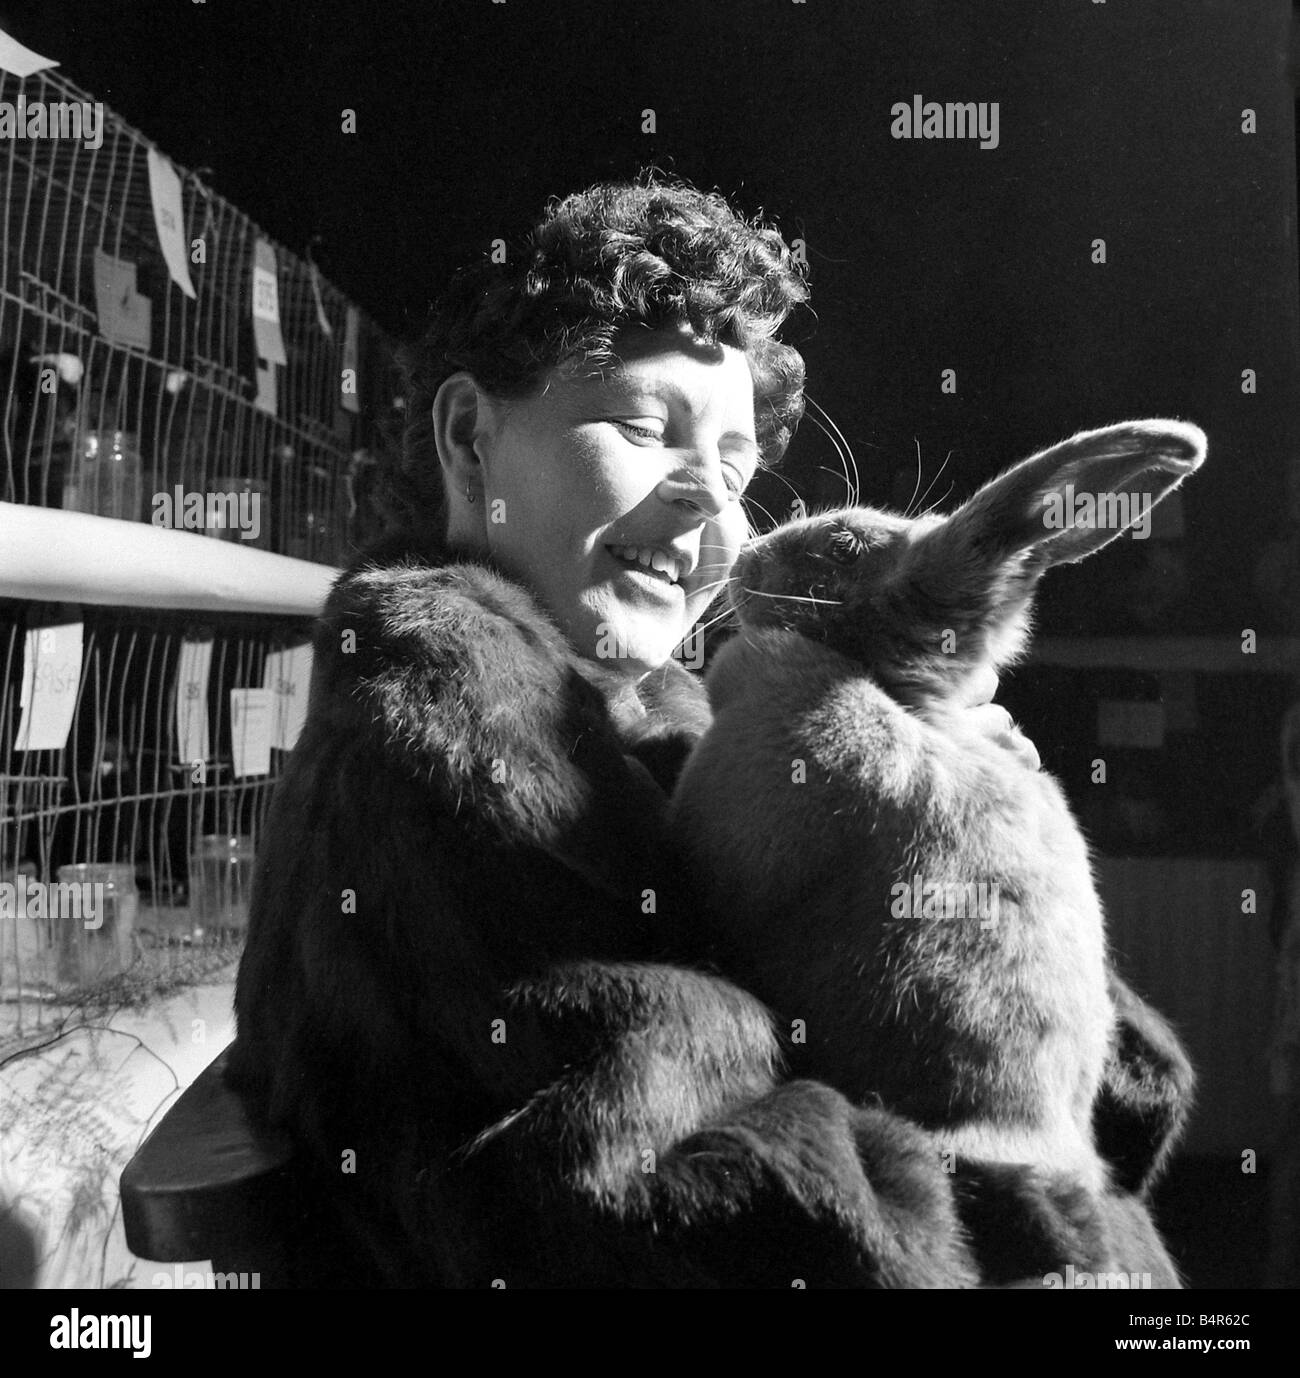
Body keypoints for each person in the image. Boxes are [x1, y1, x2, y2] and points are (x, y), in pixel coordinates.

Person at [230, 173, 1190, 1287]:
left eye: (736, 470)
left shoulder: (651, 732)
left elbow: (1098, 1103)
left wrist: (973, 858)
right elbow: (660, 1202)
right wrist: (1026, 1226)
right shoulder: (443, 731)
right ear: (466, 436)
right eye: (643, 427)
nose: (710, 509)